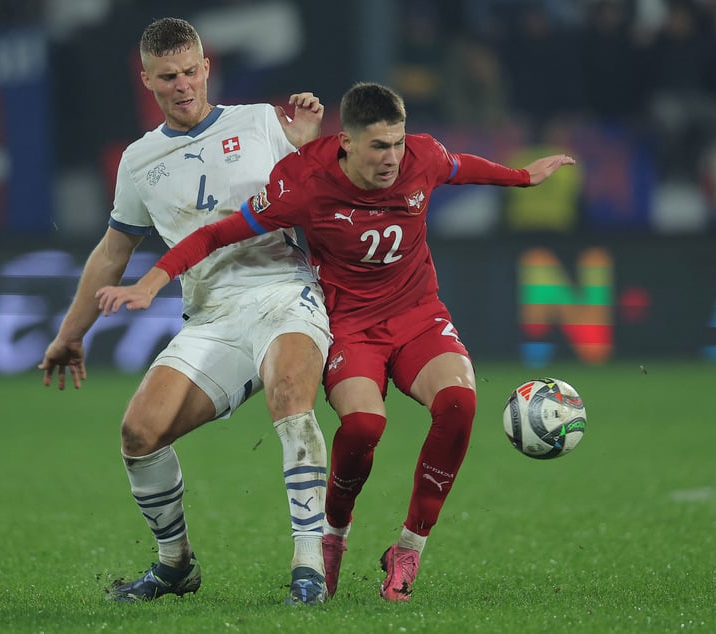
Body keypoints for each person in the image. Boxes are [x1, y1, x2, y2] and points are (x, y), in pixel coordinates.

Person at [96, 81, 575, 602]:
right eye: (378, 146)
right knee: (365, 425)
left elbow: (462, 166)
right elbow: (217, 233)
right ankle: (334, 536)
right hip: (350, 324)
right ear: (346, 141)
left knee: (460, 402)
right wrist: (152, 280)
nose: (393, 158)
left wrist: (524, 177)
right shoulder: (305, 182)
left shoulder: (422, 156)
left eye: (397, 143)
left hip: (417, 314)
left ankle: (408, 547)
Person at [38, 17, 333, 605]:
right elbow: (111, 253)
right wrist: (71, 334)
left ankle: (310, 564)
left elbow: (324, 194)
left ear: (207, 66)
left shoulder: (261, 122)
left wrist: (305, 147)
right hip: (212, 317)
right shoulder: (138, 161)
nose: (183, 84)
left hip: (285, 291)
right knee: (138, 433)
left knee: (290, 393)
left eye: (191, 71)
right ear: (147, 80)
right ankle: (176, 564)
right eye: (167, 76)